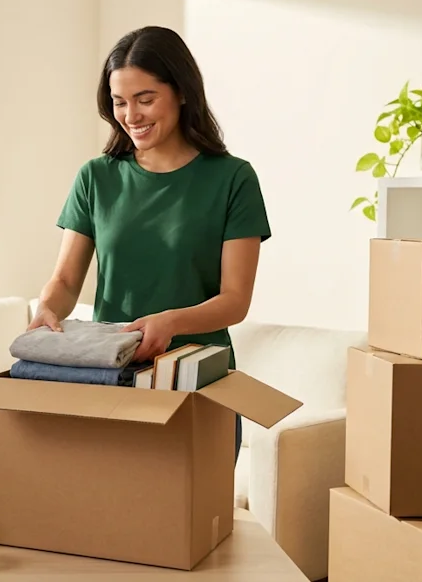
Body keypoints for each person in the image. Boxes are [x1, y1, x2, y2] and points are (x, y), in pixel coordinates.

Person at [28, 25, 271, 459]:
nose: (131, 115)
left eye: (145, 99)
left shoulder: (233, 179)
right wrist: (47, 308)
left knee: (198, 525)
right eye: (119, 102)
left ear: (181, 92)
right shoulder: (97, 177)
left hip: (199, 382)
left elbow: (236, 299)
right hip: (112, 380)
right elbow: (66, 279)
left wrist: (171, 322)